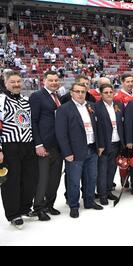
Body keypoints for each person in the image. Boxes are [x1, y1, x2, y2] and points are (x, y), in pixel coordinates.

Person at [55, 82, 103, 219]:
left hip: (92, 148)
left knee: (91, 178)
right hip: (74, 151)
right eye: (78, 91)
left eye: (83, 91)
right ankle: (74, 206)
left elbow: (96, 127)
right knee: (74, 181)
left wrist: (99, 145)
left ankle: (89, 201)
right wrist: (67, 152)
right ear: (72, 93)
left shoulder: (91, 106)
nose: (81, 94)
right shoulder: (64, 109)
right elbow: (61, 133)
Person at [0, 71, 38, 229]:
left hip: (28, 144)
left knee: (29, 179)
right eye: (12, 82)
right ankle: (13, 214)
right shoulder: (1, 99)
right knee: (11, 182)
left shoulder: (25, 100)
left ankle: (25, 208)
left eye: (18, 81)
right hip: (10, 145)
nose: (16, 84)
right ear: (6, 83)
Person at [30, 71, 63, 221]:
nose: (54, 82)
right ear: (44, 81)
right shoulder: (37, 96)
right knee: (42, 179)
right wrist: (38, 144)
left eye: (56, 80)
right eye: (51, 80)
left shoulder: (58, 97)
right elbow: (33, 121)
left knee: (54, 179)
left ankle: (50, 204)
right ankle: (38, 207)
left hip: (58, 145)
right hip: (44, 144)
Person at [95, 84, 125, 205]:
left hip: (117, 142)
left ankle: (108, 191)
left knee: (112, 169)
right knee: (102, 170)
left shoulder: (118, 105)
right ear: (101, 94)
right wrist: (99, 144)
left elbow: (122, 123)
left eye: (110, 92)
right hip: (104, 144)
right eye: (106, 92)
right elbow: (96, 128)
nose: (108, 94)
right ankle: (102, 194)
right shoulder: (96, 107)